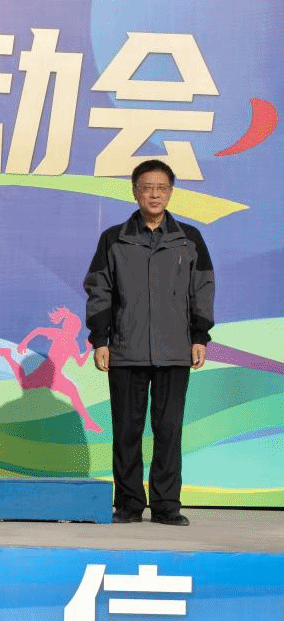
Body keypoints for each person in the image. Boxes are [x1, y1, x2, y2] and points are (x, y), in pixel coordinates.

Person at [84, 159, 215, 526]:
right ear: (135, 192)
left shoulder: (189, 239)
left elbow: (203, 288)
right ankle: (128, 504)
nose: (154, 194)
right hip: (126, 350)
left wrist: (199, 336)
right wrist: (100, 339)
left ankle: (166, 505)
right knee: (127, 432)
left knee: (168, 431)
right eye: (147, 188)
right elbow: (99, 289)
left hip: (175, 350)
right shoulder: (114, 238)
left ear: (170, 193)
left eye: (161, 188)